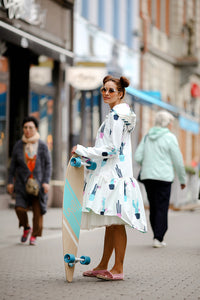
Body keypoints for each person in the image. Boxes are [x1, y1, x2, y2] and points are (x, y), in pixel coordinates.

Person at [71, 75, 147, 281]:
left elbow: (112, 149)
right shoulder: (119, 114)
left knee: (116, 223)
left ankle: (118, 268)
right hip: (114, 174)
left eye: (111, 90)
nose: (106, 93)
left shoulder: (116, 117)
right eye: (104, 89)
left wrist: (83, 150)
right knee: (112, 222)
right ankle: (104, 265)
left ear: (120, 94)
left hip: (114, 176)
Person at [135, 110, 186, 248]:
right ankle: (158, 237)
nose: (171, 125)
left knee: (153, 206)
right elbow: (178, 160)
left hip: (148, 176)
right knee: (162, 207)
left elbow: (138, 157)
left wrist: (148, 163)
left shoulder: (147, 136)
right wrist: (182, 179)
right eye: (170, 123)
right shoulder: (170, 137)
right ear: (166, 123)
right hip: (164, 177)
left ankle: (156, 235)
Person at [7, 116, 52, 246]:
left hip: (38, 185)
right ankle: (26, 227)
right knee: (19, 208)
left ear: (36, 128)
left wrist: (46, 182)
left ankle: (34, 235)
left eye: (30, 127)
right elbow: (13, 166)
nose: (27, 130)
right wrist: (10, 181)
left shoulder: (42, 145)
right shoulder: (18, 145)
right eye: (25, 127)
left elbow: (48, 164)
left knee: (38, 213)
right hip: (22, 184)